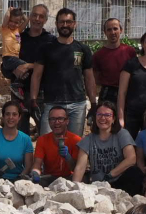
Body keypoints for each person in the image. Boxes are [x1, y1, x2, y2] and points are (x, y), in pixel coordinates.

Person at [29, 8, 96, 136]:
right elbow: (36, 76)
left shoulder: (83, 49)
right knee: (46, 142)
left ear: (74, 24)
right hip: (51, 103)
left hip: (77, 104)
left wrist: (93, 103)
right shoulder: (46, 48)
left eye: (68, 22)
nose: (65, 25)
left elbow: (89, 78)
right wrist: (33, 100)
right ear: (56, 24)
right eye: (61, 22)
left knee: (74, 144)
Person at [71, 99, 142, 196]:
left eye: (107, 115)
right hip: (99, 186)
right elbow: (80, 167)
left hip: (119, 181)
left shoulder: (122, 134)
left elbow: (131, 159)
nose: (102, 118)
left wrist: (110, 175)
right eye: (99, 114)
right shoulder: (88, 140)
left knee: (135, 172)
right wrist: (73, 190)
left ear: (113, 119)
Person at [17, 4, 56, 134]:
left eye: (41, 16)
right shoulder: (19, 38)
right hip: (19, 91)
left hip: (42, 93)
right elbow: (6, 60)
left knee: (45, 132)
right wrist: (14, 69)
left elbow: (52, 65)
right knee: (19, 133)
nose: (37, 19)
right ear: (29, 16)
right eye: (34, 15)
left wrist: (29, 65)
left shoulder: (51, 41)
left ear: (45, 20)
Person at [0, 100, 34, 183]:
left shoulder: (26, 139)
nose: (11, 117)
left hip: (17, 180)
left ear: (19, 117)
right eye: (7, 114)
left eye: (14, 114)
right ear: (3, 116)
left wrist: (20, 178)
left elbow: (28, 166)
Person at [92, 18, 137, 106]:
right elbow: (95, 79)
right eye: (109, 30)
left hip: (128, 92)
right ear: (105, 32)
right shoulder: (98, 55)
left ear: (121, 30)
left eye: (115, 29)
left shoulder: (130, 51)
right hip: (107, 94)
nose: (112, 32)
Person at [32, 105, 80, 185]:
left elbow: (76, 169)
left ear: (67, 121)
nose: (56, 122)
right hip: (49, 179)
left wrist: (68, 157)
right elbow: (37, 164)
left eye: (60, 119)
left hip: (70, 178)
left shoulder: (76, 140)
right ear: (49, 121)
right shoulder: (42, 140)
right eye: (53, 119)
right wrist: (35, 173)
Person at [0, 7, 28, 80]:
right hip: (8, 58)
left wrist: (21, 12)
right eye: (11, 21)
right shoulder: (5, 29)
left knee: (22, 73)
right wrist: (9, 10)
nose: (13, 24)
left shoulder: (18, 30)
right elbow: (7, 17)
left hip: (15, 58)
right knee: (26, 65)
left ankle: (16, 85)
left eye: (16, 22)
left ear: (20, 23)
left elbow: (27, 20)